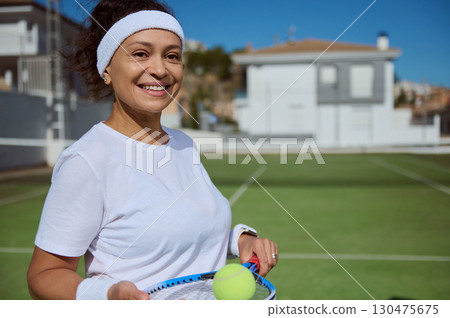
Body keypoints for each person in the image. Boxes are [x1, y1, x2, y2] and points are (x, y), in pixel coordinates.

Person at [27, 0, 278, 300]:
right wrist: (107, 295)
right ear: (107, 68)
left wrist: (240, 240)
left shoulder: (184, 145)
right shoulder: (87, 161)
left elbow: (192, 225)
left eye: (172, 56)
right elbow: (44, 275)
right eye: (140, 54)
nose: (159, 69)